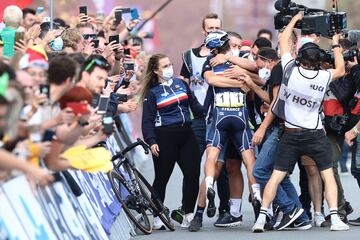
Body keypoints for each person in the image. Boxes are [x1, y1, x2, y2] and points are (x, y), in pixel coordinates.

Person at [252, 13, 349, 232]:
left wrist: (294, 21)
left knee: (275, 177)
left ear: (301, 58)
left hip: (290, 134)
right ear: (317, 61)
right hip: (315, 134)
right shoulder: (322, 77)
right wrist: (335, 44)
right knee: (327, 175)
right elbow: (341, 69)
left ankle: (261, 218)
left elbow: (284, 41)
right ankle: (334, 217)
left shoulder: (290, 72)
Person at [189, 30, 259, 232]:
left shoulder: (234, 58)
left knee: (219, 165)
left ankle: (200, 215)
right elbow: (213, 80)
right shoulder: (220, 60)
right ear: (228, 43)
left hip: (221, 118)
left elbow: (254, 69)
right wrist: (240, 81)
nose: (237, 47)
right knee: (246, 162)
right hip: (237, 119)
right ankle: (258, 211)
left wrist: (230, 61)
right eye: (234, 44)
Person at [245, 46, 312, 230]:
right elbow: (272, 98)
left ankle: (289, 209)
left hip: (279, 128)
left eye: (257, 61)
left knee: (260, 171)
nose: (256, 66)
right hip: (287, 127)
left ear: (266, 60)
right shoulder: (284, 69)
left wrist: (262, 128)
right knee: (280, 176)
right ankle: (301, 217)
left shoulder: (276, 69)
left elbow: (274, 101)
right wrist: (252, 85)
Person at [141, 53, 204, 230]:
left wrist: (209, 113)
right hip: (164, 137)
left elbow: (196, 107)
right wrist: (151, 141)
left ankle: (188, 213)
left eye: (170, 64)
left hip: (186, 134)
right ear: (155, 71)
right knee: (162, 178)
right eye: (165, 66)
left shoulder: (181, 84)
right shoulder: (152, 93)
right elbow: (147, 120)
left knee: (192, 174)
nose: (170, 68)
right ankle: (158, 215)